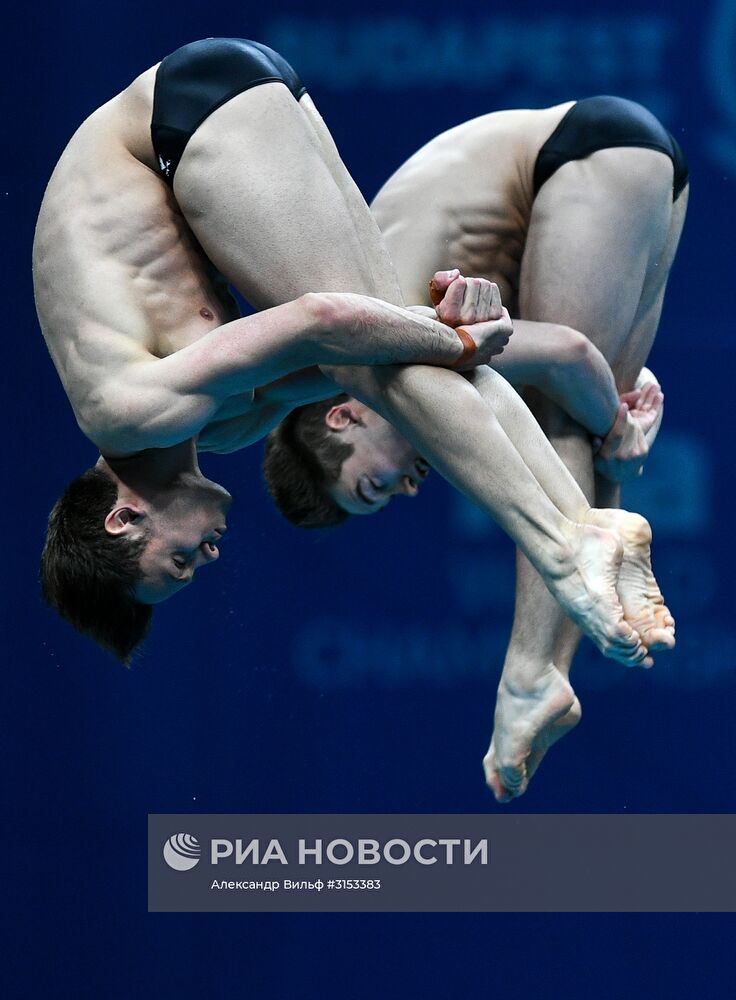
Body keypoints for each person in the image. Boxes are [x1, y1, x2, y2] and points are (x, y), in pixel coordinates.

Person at [35, 40, 662, 695]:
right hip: (221, 101)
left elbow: (323, 320)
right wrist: (454, 331)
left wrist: (455, 340)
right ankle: (584, 527)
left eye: (180, 559)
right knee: (386, 366)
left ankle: (563, 550)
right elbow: (369, 354)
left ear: (124, 518)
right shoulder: (218, 424)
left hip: (181, 118)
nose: (209, 556)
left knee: (383, 361)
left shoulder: (122, 409)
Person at [264, 97, 688, 800]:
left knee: (557, 422)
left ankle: (530, 673)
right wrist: (619, 427)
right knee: (577, 432)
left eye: (375, 486)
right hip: (622, 162)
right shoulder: (386, 372)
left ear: (343, 417)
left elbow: (572, 357)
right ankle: (546, 670)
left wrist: (617, 425)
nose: (409, 491)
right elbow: (594, 378)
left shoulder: (385, 356)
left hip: (575, 157)